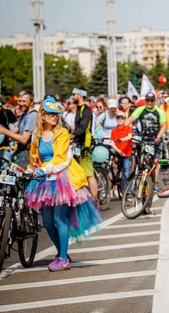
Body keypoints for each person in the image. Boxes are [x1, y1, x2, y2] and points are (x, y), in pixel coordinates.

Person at [24, 97, 102, 271]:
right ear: (43, 115)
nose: (54, 117)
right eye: (51, 114)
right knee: (47, 221)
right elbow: (33, 158)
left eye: (56, 114)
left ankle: (63, 258)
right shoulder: (36, 135)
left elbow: (63, 158)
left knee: (59, 219)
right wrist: (31, 169)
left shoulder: (63, 133)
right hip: (44, 181)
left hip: (61, 178)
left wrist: (45, 169)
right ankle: (62, 253)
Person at [127, 91, 167, 193]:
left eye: (151, 100)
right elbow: (130, 120)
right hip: (144, 140)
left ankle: (155, 182)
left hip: (155, 140)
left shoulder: (159, 111)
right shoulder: (140, 110)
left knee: (155, 162)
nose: (149, 102)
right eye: (147, 100)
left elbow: (163, 126)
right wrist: (123, 129)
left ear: (154, 101)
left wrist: (158, 136)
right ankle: (140, 179)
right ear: (145, 101)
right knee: (142, 161)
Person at [0, 90, 37, 168]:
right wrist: (1, 130)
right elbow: (16, 130)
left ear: (31, 102)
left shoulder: (32, 116)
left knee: (21, 179)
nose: (21, 104)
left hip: (27, 153)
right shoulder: (25, 114)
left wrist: (5, 131)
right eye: (19, 101)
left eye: (24, 101)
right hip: (20, 152)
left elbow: (24, 139)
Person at [70, 88, 98, 199]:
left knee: (89, 174)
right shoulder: (79, 109)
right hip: (78, 144)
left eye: (74, 94)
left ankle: (94, 199)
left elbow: (82, 128)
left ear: (80, 95)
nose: (72, 97)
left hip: (85, 145)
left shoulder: (86, 110)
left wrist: (71, 135)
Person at [110, 110, 133, 192]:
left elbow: (130, 136)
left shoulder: (128, 128)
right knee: (112, 167)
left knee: (127, 172)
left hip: (126, 153)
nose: (120, 120)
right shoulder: (114, 130)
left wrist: (123, 139)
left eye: (122, 118)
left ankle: (128, 191)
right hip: (118, 152)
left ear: (124, 119)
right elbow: (112, 142)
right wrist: (118, 151)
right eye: (118, 118)